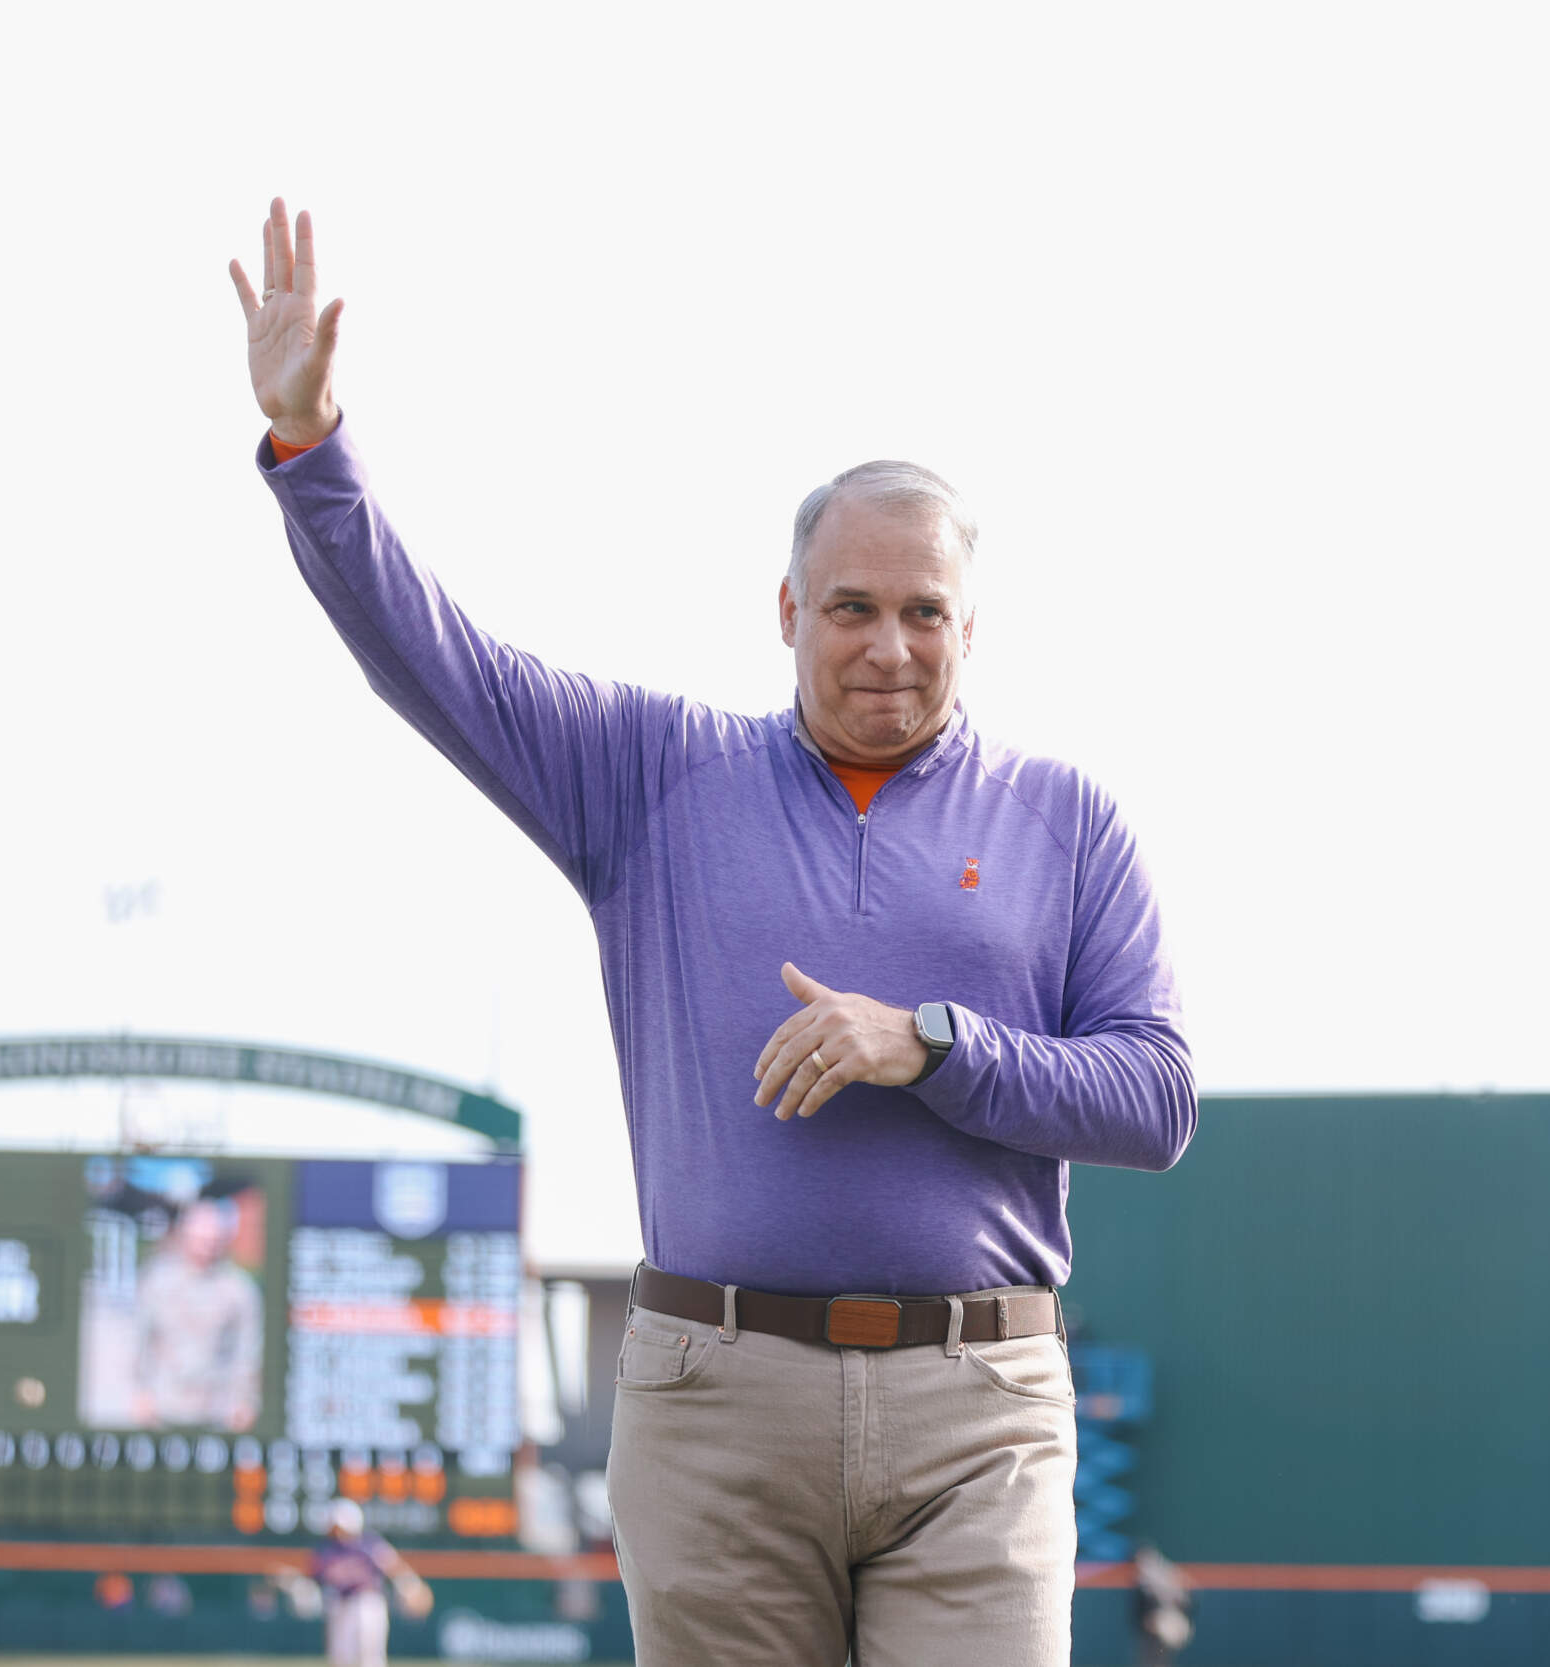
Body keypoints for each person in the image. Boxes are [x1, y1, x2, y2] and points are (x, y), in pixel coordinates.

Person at [232, 198, 1195, 1667]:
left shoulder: (1066, 820)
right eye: (852, 607)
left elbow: (1155, 1098)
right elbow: (435, 661)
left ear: (972, 627)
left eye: (925, 612)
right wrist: (314, 451)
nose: (888, 645)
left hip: (978, 1411)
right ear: (787, 609)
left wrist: (931, 1043)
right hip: (718, 1397)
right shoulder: (653, 775)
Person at [130, 1198, 263, 1429]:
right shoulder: (158, 1280)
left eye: (214, 1240)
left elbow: (248, 1350)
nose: (207, 1247)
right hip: (164, 1406)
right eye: (201, 1239)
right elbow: (140, 1338)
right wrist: (140, 1392)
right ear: (185, 1235)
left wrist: (245, 1401)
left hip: (217, 1412)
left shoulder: (239, 1289)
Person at [313, 1498, 434, 1667]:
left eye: (339, 1526)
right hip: (340, 1603)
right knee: (340, 1658)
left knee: (370, 1657)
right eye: (334, 1526)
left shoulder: (369, 1544)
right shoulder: (327, 1549)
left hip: (367, 1603)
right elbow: (318, 1577)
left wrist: (410, 1586)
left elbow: (394, 1566)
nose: (337, 1531)